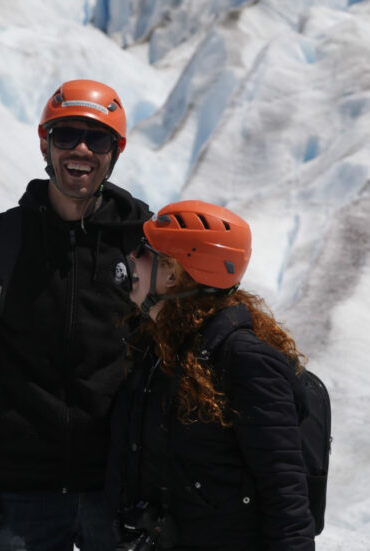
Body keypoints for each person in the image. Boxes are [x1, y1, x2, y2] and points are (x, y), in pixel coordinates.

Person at [0, 79, 151, 550]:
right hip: (21, 494)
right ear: (45, 143)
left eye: (97, 139)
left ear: (115, 151)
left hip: (119, 492)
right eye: (65, 136)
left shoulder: (143, 245)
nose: (81, 149)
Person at [107, 200, 316, 550]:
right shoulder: (160, 348)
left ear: (173, 274)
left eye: (145, 251)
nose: (131, 257)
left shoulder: (246, 362)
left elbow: (286, 496)